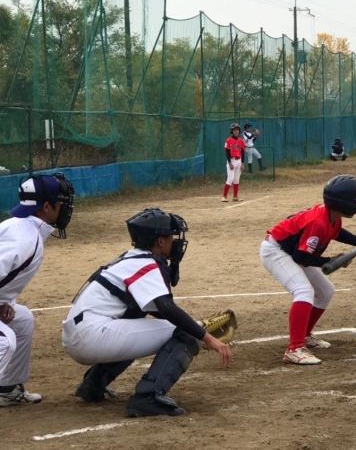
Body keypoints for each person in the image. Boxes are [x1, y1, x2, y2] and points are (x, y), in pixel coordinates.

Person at [61, 208, 232, 417]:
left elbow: (157, 312)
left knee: (139, 320)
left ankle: (93, 384)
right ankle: (148, 397)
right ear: (160, 241)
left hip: (80, 334)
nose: (176, 242)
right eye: (171, 237)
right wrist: (206, 337)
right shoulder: (147, 264)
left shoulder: (131, 258)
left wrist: (196, 326)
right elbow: (166, 308)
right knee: (186, 334)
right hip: (93, 335)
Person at [260, 175, 356, 365]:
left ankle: (304, 336)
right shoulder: (318, 222)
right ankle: (295, 349)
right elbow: (300, 257)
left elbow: (336, 232)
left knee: (325, 291)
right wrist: (329, 261)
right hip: (276, 251)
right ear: (345, 204)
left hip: (292, 250)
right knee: (303, 291)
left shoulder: (331, 215)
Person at [0, 173, 74, 407]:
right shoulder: (24, 239)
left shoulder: (18, 227)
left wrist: (4, 303)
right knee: (5, 341)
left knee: (21, 320)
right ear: (46, 207)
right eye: (61, 203)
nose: (65, 209)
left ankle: (6, 389)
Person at [222, 123, 246, 202]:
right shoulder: (228, 140)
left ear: (239, 131)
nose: (236, 131)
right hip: (231, 160)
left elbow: (242, 152)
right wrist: (229, 163)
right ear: (232, 131)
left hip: (239, 161)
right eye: (234, 130)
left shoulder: (241, 141)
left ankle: (235, 196)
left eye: (237, 130)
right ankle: (224, 196)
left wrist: (242, 163)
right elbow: (227, 152)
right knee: (230, 178)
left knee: (236, 179)